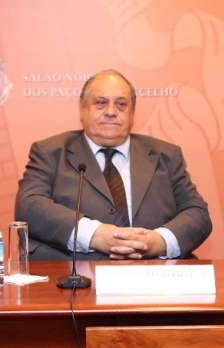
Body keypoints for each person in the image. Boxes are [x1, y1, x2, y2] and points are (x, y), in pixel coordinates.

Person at [15, 69, 212, 260]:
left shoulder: (166, 155)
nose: (111, 112)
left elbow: (197, 214)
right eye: (101, 103)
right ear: (82, 109)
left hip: (152, 273)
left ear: (133, 112)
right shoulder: (50, 152)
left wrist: (157, 242)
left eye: (121, 104)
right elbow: (30, 206)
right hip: (72, 274)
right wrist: (94, 235)